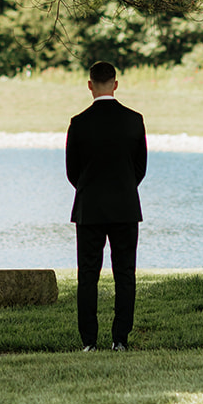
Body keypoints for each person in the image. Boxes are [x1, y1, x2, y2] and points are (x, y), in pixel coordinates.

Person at [65, 59, 147, 351]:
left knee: (88, 275)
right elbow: (140, 168)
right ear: (115, 83)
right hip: (125, 207)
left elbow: (71, 171)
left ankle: (89, 341)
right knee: (125, 273)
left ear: (90, 85)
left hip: (89, 209)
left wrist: (91, 191)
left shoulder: (79, 123)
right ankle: (120, 339)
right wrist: (123, 189)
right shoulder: (134, 120)